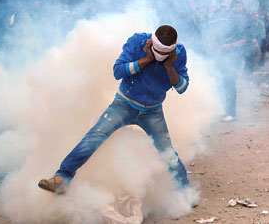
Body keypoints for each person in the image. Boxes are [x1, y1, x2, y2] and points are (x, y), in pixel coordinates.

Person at [38, 25, 190, 194]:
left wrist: (170, 66)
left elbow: (182, 87)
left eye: (164, 55)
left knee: (166, 150)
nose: (160, 58)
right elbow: (118, 71)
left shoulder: (179, 53)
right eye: (157, 52)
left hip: (152, 111)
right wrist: (146, 60)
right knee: (94, 137)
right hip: (124, 104)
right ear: (150, 43)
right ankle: (62, 178)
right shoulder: (137, 41)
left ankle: (185, 194)